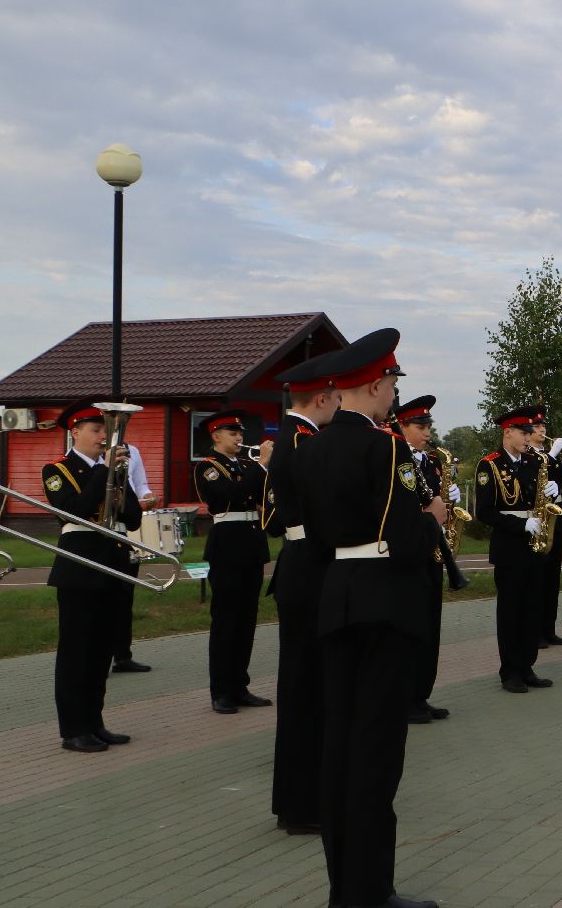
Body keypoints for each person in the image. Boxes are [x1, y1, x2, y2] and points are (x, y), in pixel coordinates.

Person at [301, 328, 444, 908]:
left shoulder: (314, 446)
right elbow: (404, 534)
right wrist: (431, 516)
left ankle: (346, 886)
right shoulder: (386, 448)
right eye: (389, 385)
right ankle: (370, 891)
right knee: (376, 754)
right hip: (383, 602)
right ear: (374, 384)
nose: (392, 395)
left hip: (338, 597)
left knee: (339, 747)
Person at [264, 349, 341, 837]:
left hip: (300, 566)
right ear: (320, 397)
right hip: (311, 568)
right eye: (336, 395)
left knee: (302, 687)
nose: (339, 403)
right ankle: (302, 804)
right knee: (306, 690)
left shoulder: (292, 438)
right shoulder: (305, 442)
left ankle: (297, 799)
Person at [46, 399, 143, 753]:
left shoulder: (112, 468)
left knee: (102, 650)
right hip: (80, 566)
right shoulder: (57, 470)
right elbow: (74, 511)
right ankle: (73, 729)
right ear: (75, 433)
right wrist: (105, 472)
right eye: (97, 429)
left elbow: (132, 519)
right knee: (77, 651)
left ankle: (95, 722)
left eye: (105, 429)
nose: (104, 436)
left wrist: (121, 477)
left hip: (113, 563)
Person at [474, 405, 562, 693]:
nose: (529, 437)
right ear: (508, 432)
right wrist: (519, 525)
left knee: (532, 608)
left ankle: (527, 666)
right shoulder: (489, 465)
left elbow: (540, 496)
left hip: (534, 544)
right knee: (511, 610)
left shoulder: (534, 462)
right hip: (510, 546)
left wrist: (555, 493)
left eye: (530, 432)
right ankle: (509, 671)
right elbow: (485, 513)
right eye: (523, 432)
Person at [194, 409, 274, 715]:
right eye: (232, 433)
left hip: (251, 544)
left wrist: (265, 470)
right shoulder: (208, 467)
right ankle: (221, 691)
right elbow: (231, 493)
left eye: (240, 433)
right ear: (216, 436)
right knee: (226, 621)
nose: (239, 438)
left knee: (246, 621)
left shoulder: (244, 464)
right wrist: (262, 465)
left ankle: (240, 686)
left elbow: (262, 494)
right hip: (227, 544)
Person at [393, 396, 459, 724]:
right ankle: (405, 698)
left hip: (433, 551)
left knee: (431, 627)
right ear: (401, 426)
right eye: (420, 426)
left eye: (429, 426)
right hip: (410, 552)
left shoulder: (431, 461)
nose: (427, 432)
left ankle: (421, 695)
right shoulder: (398, 459)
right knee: (412, 628)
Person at [520, 409, 562, 648]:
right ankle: (534, 632)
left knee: (552, 578)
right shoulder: (528, 455)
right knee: (537, 578)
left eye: (543, 425)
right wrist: (554, 455)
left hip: (553, 520)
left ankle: (549, 629)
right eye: (536, 426)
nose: (542, 429)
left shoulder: (549, 455)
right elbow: (537, 474)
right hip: (535, 521)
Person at [110, 441, 156, 674]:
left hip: (121, 532)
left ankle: (122, 655)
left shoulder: (132, 451)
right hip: (97, 533)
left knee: (124, 595)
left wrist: (147, 496)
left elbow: (139, 485)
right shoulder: (84, 454)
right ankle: (99, 654)